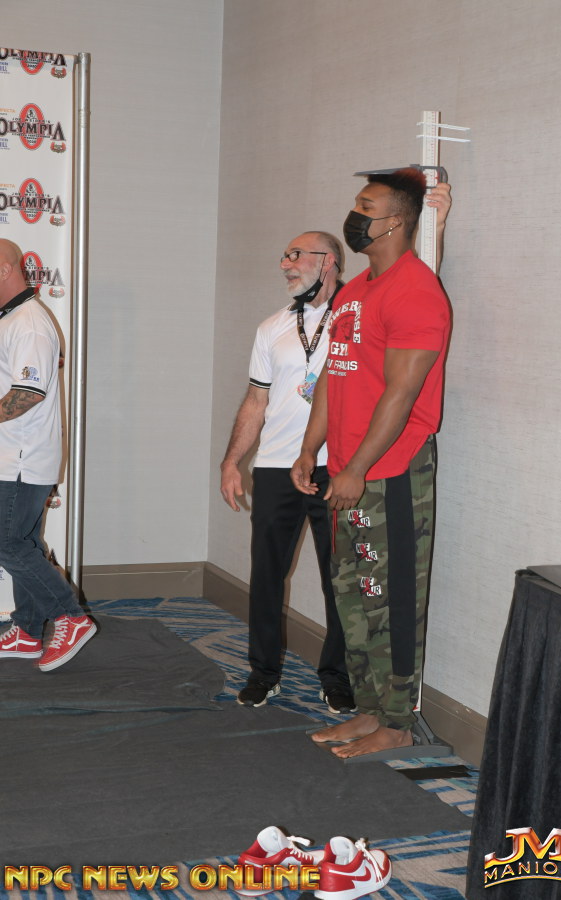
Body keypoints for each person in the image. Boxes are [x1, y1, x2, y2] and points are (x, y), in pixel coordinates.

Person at [291, 169, 451, 758]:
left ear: (397, 222)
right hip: (346, 470)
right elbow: (334, 376)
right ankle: (368, 709)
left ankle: (398, 722)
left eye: (366, 207)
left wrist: (357, 468)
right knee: (354, 594)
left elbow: (401, 394)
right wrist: (310, 448)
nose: (355, 217)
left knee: (393, 599)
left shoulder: (417, 290)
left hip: (391, 472)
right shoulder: (355, 290)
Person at [220, 230, 355, 711]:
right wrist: (232, 461)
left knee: (340, 579)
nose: (285, 264)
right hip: (276, 465)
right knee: (266, 574)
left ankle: (337, 677)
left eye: (296, 255)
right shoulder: (272, 327)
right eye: (284, 256)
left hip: (335, 467)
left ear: (328, 261)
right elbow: (256, 401)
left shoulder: (356, 315)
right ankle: (264, 673)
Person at [0, 239, 96, 671]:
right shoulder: (11, 319)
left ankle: (70, 617)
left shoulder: (29, 322)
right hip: (13, 456)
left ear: (6, 269)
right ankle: (26, 630)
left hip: (22, 459)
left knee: (8, 542)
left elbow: (28, 393)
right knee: (22, 543)